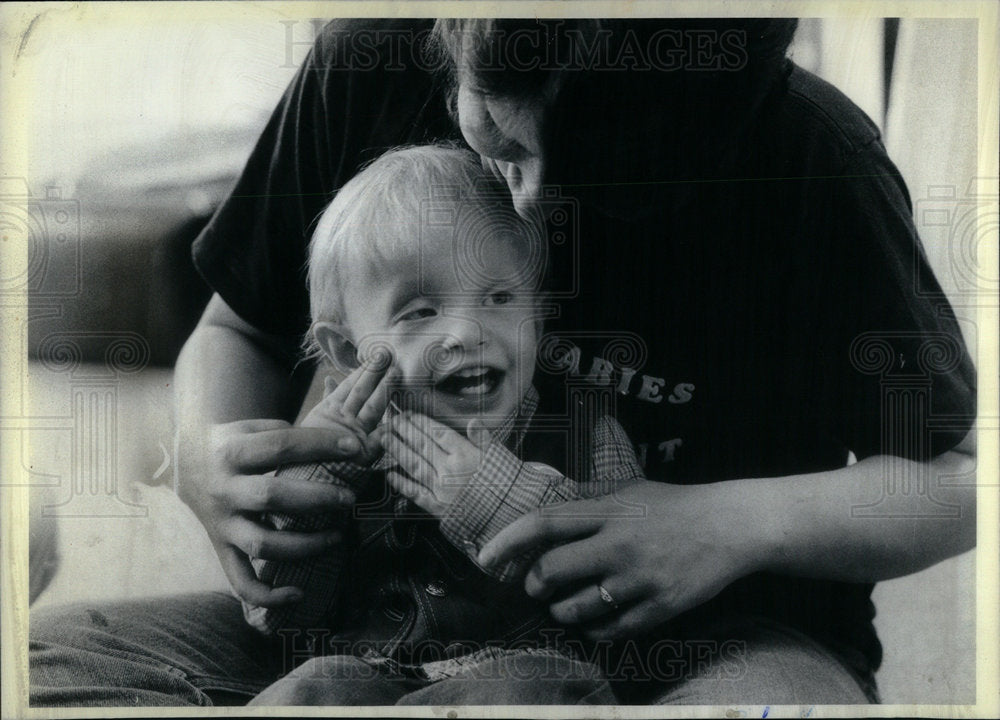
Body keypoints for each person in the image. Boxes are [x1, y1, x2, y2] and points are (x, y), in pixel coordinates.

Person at [29, 18, 976, 706]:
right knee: (44, 667)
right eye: (509, 148)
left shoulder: (815, 159)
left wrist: (734, 523)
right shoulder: (371, 63)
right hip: (374, 625)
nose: (533, 213)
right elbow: (238, 331)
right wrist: (210, 463)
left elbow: (960, 485)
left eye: (617, 192)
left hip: (717, 644)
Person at [242, 144, 642, 704]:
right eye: (420, 312)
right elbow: (277, 616)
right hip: (373, 677)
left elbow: (629, 593)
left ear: (538, 313)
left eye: (499, 297)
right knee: (313, 683)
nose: (467, 333)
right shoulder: (338, 447)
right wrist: (324, 477)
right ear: (351, 352)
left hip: (522, 680)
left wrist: (489, 498)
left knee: (536, 688)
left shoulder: (588, 432)